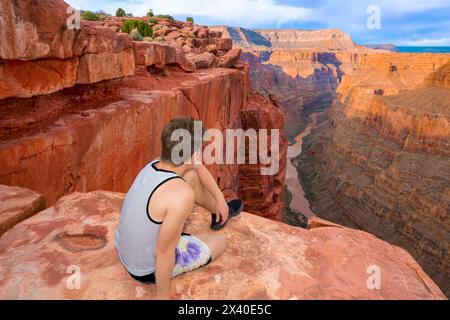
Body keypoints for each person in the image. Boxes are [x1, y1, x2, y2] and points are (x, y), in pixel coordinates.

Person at [115, 116, 243, 299]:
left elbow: (195, 167)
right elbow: (164, 251)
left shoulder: (153, 164)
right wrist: (163, 295)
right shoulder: (182, 195)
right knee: (220, 240)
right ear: (193, 154)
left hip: (124, 248)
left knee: (190, 174)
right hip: (145, 269)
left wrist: (219, 198)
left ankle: (219, 212)